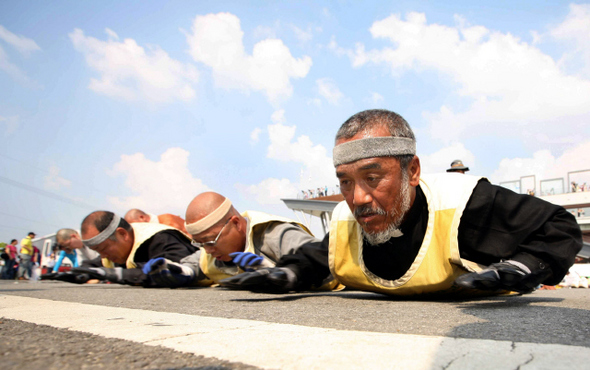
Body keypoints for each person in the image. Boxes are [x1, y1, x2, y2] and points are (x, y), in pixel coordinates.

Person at [221, 109, 582, 296]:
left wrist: (522, 268)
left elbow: (559, 227)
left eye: (373, 178)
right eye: (345, 182)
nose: (358, 198)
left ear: (412, 171)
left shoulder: (462, 204)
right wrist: (288, 274)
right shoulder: (347, 218)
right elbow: (317, 259)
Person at [144, 192, 339, 290]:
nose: (207, 250)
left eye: (210, 241)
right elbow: (194, 264)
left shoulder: (276, 234)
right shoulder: (210, 248)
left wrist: (278, 272)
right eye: (200, 244)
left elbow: (323, 262)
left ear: (236, 223)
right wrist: (181, 271)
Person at [46, 211, 197, 286]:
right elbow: (95, 265)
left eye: (103, 248)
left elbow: (173, 270)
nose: (103, 256)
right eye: (98, 252)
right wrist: (79, 274)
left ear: (122, 234)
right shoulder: (116, 249)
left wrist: (113, 274)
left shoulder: (161, 238)